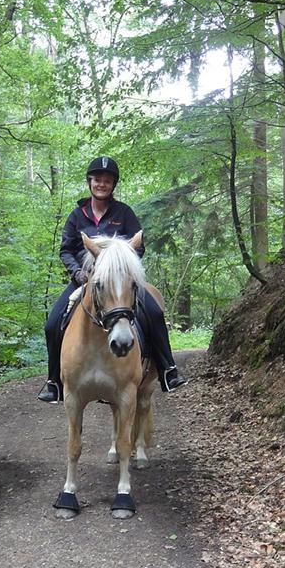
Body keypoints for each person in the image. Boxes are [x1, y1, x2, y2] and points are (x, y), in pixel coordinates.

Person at [36, 156, 187, 403]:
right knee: (53, 324)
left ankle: (167, 369)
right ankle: (54, 381)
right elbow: (66, 249)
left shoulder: (124, 213)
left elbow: (138, 247)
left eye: (107, 181)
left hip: (119, 281)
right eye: (97, 180)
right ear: (90, 182)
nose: (101, 184)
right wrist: (77, 271)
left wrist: (123, 264)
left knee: (154, 312)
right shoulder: (77, 216)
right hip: (85, 280)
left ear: (113, 185)